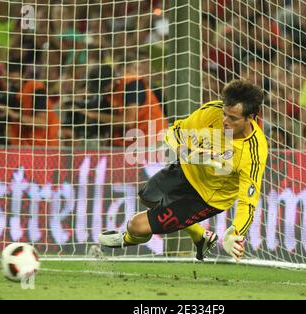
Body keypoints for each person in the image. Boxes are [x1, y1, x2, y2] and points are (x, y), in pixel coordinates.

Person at [98, 80, 268, 262]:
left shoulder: (254, 153)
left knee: (136, 226)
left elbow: (247, 202)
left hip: (205, 197)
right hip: (185, 171)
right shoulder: (213, 111)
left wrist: (236, 232)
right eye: (225, 114)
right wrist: (184, 152)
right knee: (147, 196)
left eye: (233, 118)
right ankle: (201, 237)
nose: (225, 121)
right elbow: (175, 131)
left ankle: (126, 239)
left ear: (250, 117)